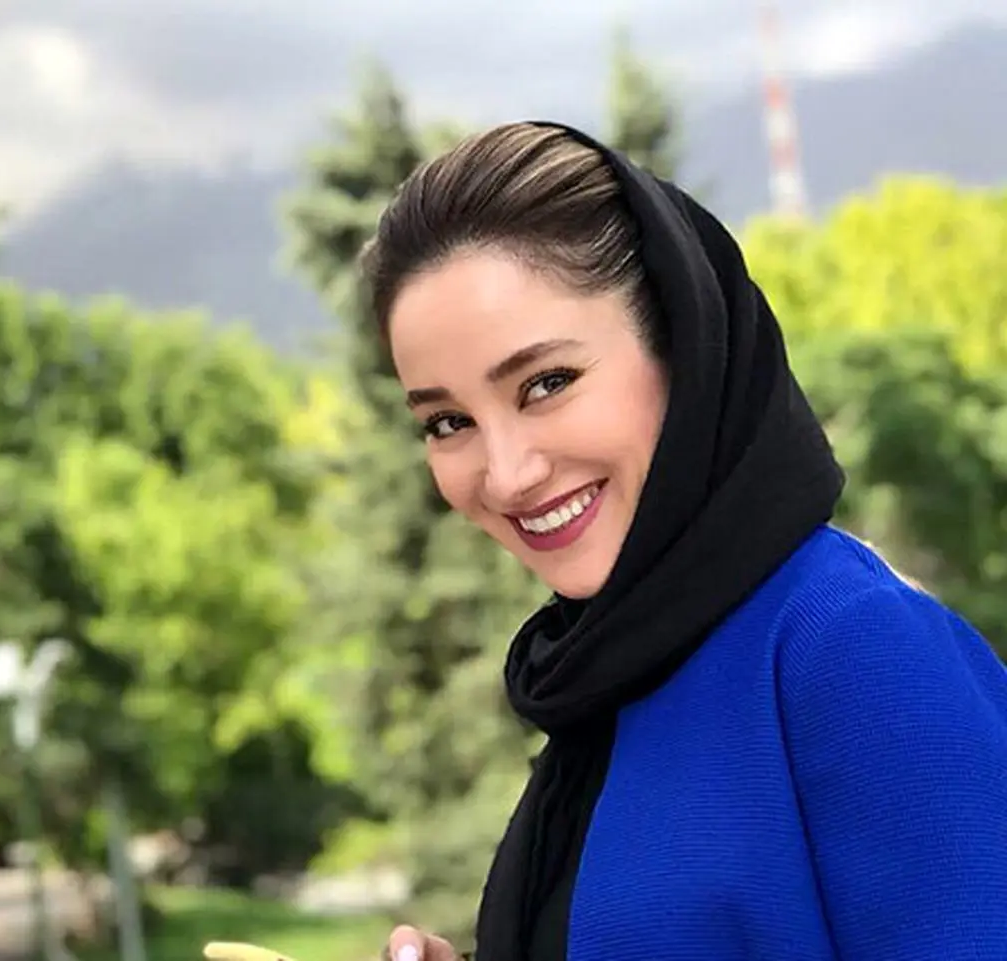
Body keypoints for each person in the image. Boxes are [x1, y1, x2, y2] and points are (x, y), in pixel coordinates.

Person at [359, 121, 1007, 961]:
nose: (508, 474)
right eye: (448, 422)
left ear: (686, 343)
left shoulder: (847, 646)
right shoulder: (610, 677)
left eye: (546, 383)